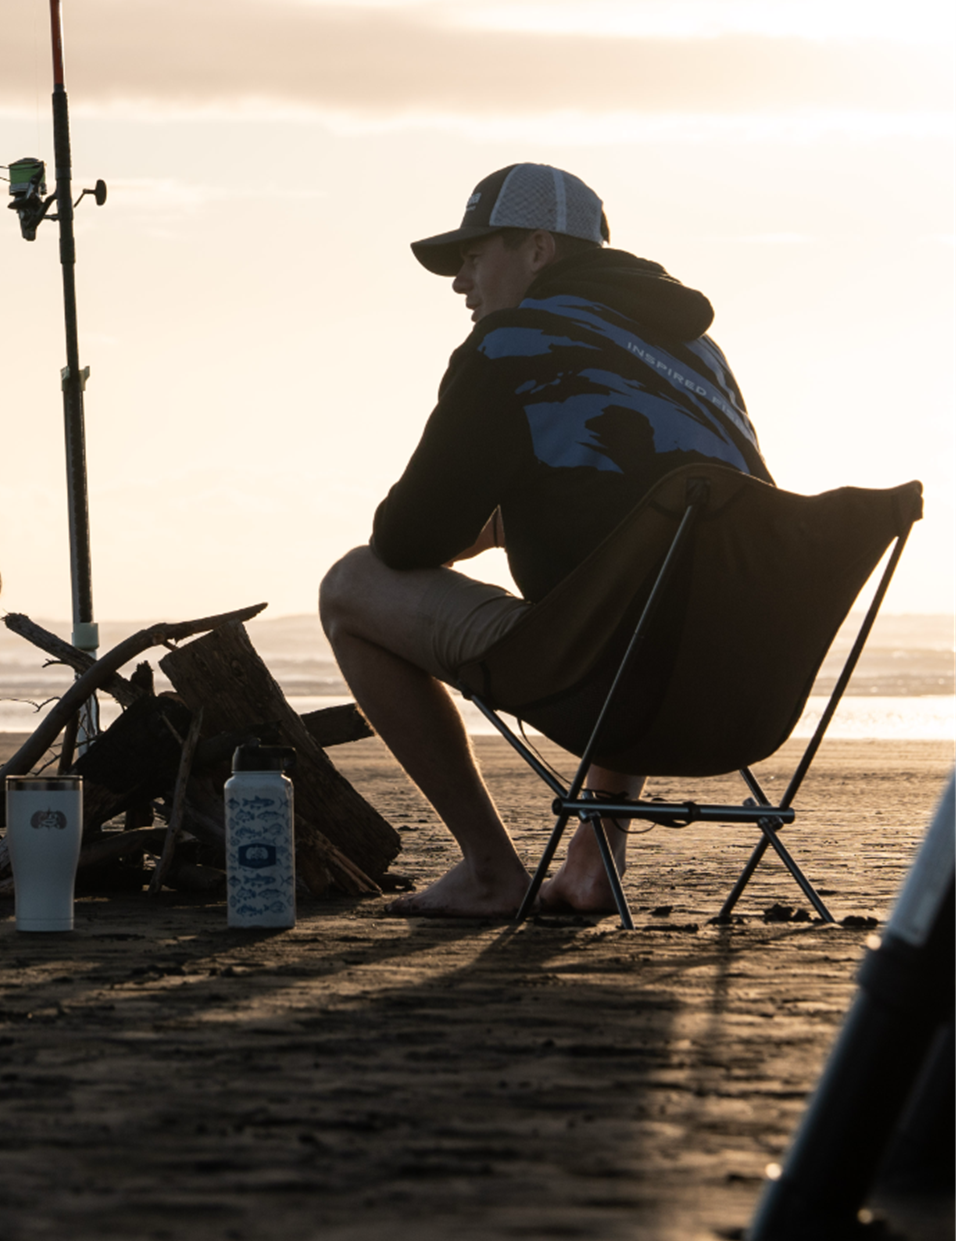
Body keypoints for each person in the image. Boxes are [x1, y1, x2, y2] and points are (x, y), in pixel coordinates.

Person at [319, 163, 771, 917]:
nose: (460, 281)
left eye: (472, 254)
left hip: (607, 680)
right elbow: (686, 510)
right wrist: (519, 523)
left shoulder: (514, 343)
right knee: (642, 586)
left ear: (536, 248)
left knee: (350, 586)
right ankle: (594, 862)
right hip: (745, 689)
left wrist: (480, 527)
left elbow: (404, 539)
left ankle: (490, 868)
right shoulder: (698, 355)